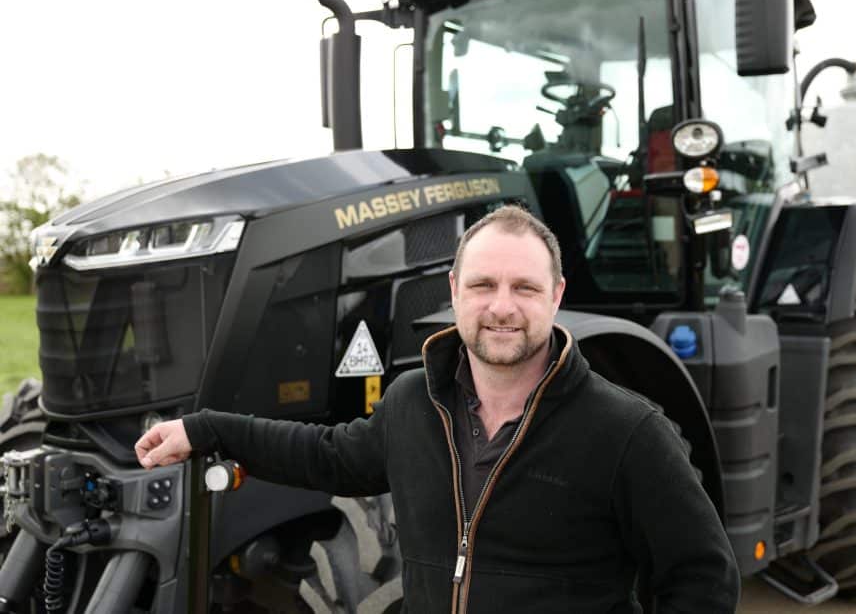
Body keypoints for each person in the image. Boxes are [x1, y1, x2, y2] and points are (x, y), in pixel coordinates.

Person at [135, 204, 740, 613]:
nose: (502, 306)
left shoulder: (628, 432)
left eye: (524, 288)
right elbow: (325, 457)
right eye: (482, 286)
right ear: (453, 292)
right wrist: (204, 428)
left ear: (556, 296)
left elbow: (703, 577)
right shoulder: (410, 404)